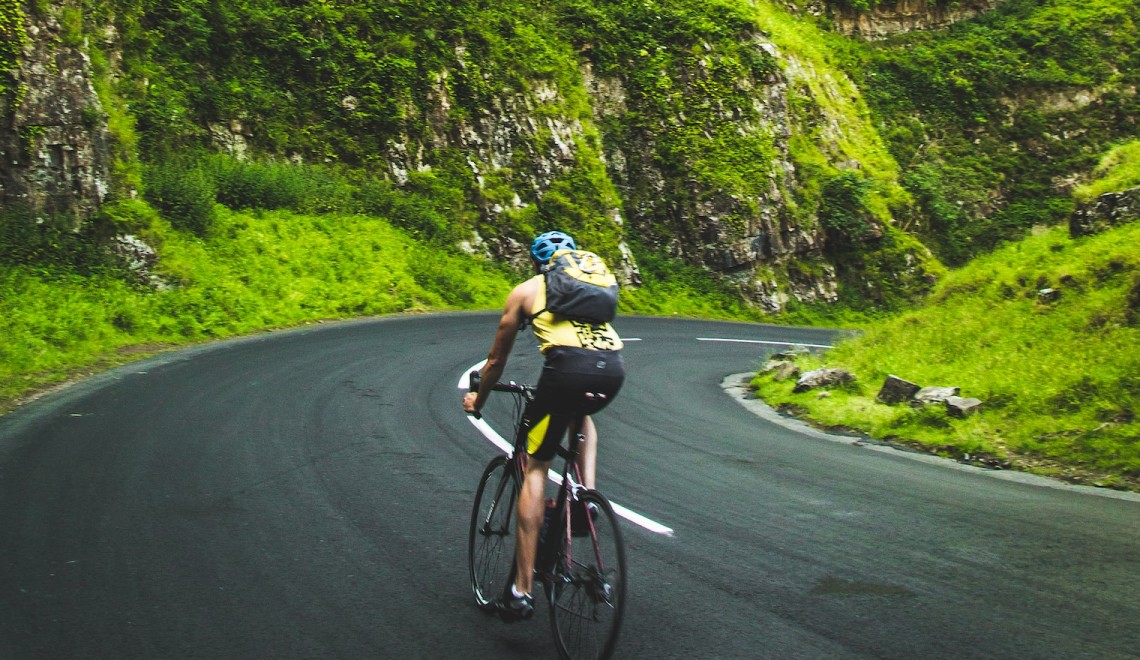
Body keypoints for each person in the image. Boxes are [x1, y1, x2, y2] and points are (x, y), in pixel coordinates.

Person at [463, 230, 625, 622]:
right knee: (579, 415)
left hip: (567, 371)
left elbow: (495, 362)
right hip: (612, 370)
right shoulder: (588, 291)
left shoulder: (525, 291)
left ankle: (520, 591)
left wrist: (477, 401)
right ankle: (585, 496)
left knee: (536, 466)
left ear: (537, 264)